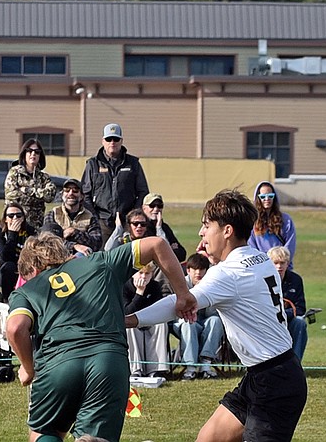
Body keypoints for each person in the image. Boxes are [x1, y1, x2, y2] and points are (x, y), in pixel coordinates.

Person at [128, 189, 307, 442]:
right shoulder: (260, 258)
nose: (201, 233)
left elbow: (179, 302)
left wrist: (127, 320)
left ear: (227, 231)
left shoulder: (227, 273)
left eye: (206, 225)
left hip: (274, 384)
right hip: (266, 374)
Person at [6, 232, 194, 442]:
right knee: (94, 438)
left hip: (57, 364)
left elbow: (15, 328)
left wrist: (28, 368)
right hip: (108, 361)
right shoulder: (100, 262)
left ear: (33, 269)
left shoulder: (26, 290)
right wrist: (183, 294)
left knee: (44, 432)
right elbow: (156, 244)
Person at [80, 123, 150, 244]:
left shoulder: (133, 163)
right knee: (103, 254)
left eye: (116, 139)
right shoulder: (93, 164)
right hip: (102, 222)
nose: (112, 142)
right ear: (103, 141)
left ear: (121, 141)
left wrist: (133, 215)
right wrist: (94, 217)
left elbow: (143, 191)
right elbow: (85, 194)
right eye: (109, 139)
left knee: (127, 253)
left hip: (127, 222)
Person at [171, 253, 225, 380]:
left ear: (207, 271)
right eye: (194, 269)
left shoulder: (212, 284)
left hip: (205, 322)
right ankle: (190, 368)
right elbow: (179, 312)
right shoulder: (180, 284)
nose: (198, 273)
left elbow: (213, 313)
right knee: (189, 323)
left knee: (215, 320)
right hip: (184, 322)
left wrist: (205, 291)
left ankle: (206, 365)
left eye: (201, 269)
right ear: (188, 270)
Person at [123, 259, 169, 378]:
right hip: (132, 321)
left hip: (149, 321)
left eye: (147, 274)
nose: (143, 277)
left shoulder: (155, 286)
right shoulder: (125, 287)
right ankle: (136, 368)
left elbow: (158, 309)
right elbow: (127, 312)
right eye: (140, 273)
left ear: (152, 274)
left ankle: (157, 368)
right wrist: (139, 293)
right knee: (129, 326)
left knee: (161, 324)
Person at [4, 138, 58, 229]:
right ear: (24, 153)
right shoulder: (15, 173)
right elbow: (11, 196)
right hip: (16, 224)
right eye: (29, 151)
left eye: (37, 152)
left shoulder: (43, 177)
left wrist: (26, 190)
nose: (33, 154)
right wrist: (38, 198)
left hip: (36, 226)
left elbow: (49, 196)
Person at [40, 178, 100, 256]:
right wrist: (74, 246)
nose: (71, 193)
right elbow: (48, 241)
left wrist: (75, 232)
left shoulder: (91, 217)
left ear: (82, 196)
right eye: (67, 190)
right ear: (62, 195)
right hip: (57, 256)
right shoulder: (52, 214)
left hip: (81, 258)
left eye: (75, 191)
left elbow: (97, 243)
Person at [267, 246, 307, 362]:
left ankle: (295, 363)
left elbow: (301, 308)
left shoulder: (296, 280)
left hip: (289, 319)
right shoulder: (262, 280)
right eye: (275, 263)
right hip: (269, 320)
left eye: (282, 263)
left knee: (300, 322)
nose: (279, 266)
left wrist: (284, 314)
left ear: (287, 264)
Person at [0, 202, 36, 301]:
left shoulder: (30, 231)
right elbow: (5, 256)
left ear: (23, 218)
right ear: (5, 219)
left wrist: (1, 261)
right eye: (11, 216)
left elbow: (33, 254)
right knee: (9, 266)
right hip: (5, 268)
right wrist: (12, 234)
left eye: (18, 215)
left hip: (25, 264)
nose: (15, 218)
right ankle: (7, 299)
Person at [248, 181, 296, 268]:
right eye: (263, 197)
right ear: (258, 198)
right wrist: (264, 264)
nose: (267, 199)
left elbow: (290, 244)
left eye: (270, 196)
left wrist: (280, 262)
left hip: (281, 267)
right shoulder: (252, 221)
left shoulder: (286, 220)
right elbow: (251, 245)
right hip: (261, 267)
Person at [142, 192, 185, 263]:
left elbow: (182, 254)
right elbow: (154, 255)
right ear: (144, 208)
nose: (156, 209)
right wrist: (170, 248)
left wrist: (159, 227)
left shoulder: (164, 227)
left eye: (159, 206)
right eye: (152, 206)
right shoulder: (141, 227)